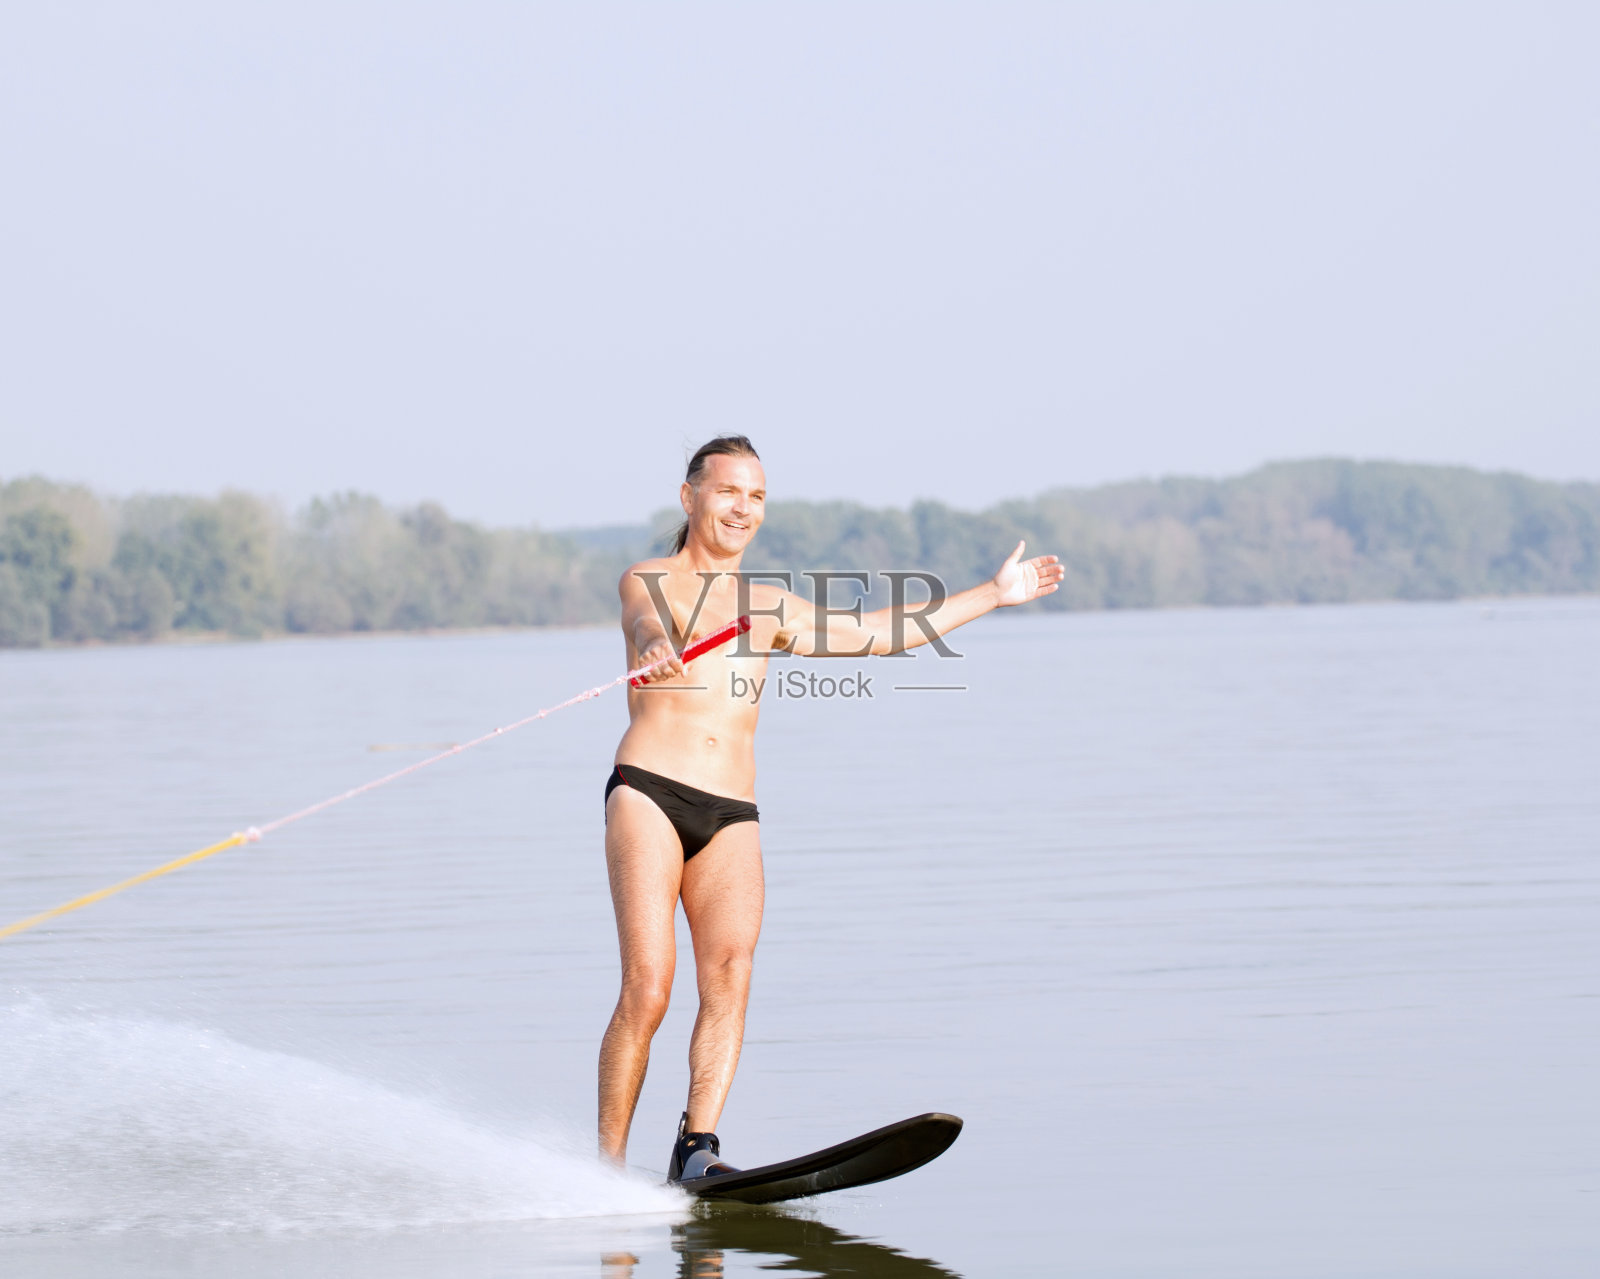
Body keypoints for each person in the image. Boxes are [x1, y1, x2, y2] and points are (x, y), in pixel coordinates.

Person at [599, 435, 1062, 1178]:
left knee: (730, 972)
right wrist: (657, 643)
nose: (742, 508)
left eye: (755, 496)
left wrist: (992, 594)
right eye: (728, 491)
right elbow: (645, 620)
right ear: (689, 498)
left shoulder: (770, 605)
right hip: (649, 790)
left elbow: (879, 634)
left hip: (731, 811)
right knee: (649, 986)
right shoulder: (648, 579)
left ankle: (697, 1148)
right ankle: (607, 1168)